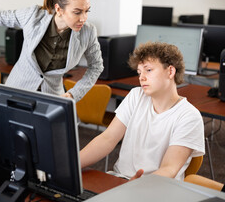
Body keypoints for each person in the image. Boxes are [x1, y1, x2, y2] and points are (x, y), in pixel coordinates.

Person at [80, 42, 205, 180]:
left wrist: (139, 185)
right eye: (139, 72)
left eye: (149, 70)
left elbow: (169, 169)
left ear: (170, 71)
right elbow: (107, 139)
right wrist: (73, 164)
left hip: (157, 189)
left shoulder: (189, 116)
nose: (141, 77)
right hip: (121, 180)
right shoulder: (136, 96)